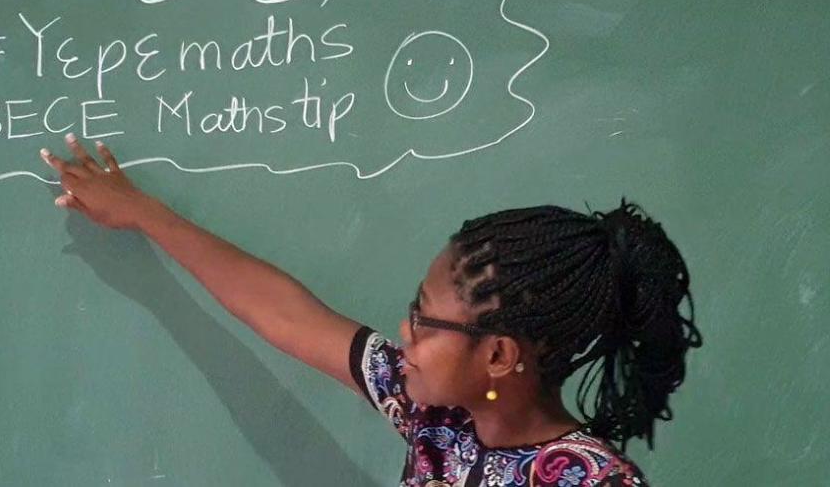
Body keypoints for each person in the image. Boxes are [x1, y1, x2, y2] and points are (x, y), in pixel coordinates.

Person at [40, 134, 702, 486]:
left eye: (424, 320)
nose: (403, 335)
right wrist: (146, 215)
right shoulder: (436, 419)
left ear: (498, 355)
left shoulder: (591, 481)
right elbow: (285, 314)